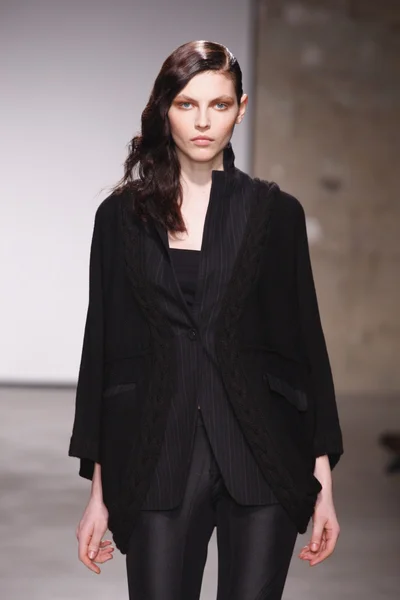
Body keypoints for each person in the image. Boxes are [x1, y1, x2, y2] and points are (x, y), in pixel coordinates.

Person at [68, 40, 344, 600]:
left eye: (218, 105)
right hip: (154, 454)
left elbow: (303, 345)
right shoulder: (121, 217)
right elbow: (104, 348)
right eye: (186, 104)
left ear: (241, 109)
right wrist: (99, 489)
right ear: (164, 108)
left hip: (262, 453)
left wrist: (323, 482)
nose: (202, 121)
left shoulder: (275, 214)